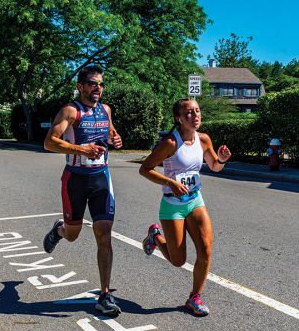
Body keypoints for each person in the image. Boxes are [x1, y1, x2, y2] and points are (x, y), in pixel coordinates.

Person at [139, 98, 231, 316]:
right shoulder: (170, 143)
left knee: (206, 249)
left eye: (197, 111)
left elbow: (215, 167)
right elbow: (145, 169)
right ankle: (155, 237)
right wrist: (170, 182)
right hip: (172, 205)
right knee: (178, 261)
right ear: (178, 118)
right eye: (188, 113)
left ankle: (194, 297)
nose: (195, 115)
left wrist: (222, 159)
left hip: (194, 200)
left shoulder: (204, 139)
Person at [43, 65, 123, 315]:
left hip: (101, 177)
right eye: (92, 83)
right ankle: (59, 229)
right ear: (80, 86)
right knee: (73, 234)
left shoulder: (105, 109)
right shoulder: (70, 111)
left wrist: (115, 139)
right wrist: (81, 149)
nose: (97, 87)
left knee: (104, 234)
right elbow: (49, 143)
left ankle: (105, 294)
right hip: (75, 180)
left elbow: (110, 133)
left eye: (100, 83)